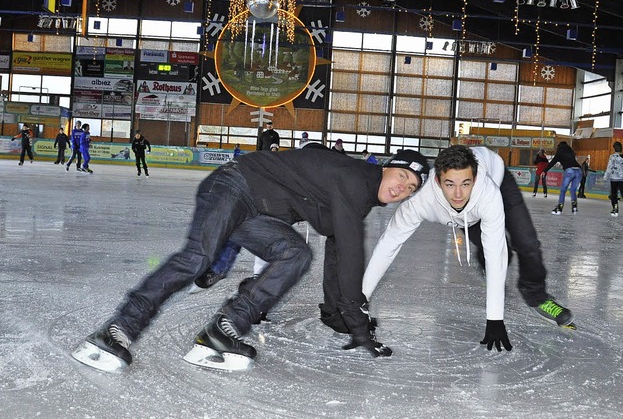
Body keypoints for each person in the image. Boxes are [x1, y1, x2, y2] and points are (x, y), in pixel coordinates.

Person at [71, 148, 429, 374]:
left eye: (411, 187)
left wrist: (340, 317)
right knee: (198, 257)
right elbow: (352, 251)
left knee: (296, 253)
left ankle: (221, 331)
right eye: (402, 176)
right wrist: (359, 323)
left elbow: (338, 254)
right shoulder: (356, 178)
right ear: (386, 168)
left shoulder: (359, 197)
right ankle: (116, 330)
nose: (403, 188)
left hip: (257, 212)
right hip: (234, 186)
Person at [357, 145, 574, 354]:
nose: (458, 195)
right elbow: (388, 245)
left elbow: (495, 252)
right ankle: (484, 266)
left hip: (498, 179)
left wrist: (495, 319)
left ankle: (537, 297)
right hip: (466, 210)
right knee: (494, 249)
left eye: (465, 184)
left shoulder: (488, 194)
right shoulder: (420, 201)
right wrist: (359, 303)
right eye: (449, 184)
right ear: (438, 180)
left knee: (526, 242)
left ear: (476, 179)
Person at [542, 141, 582, 215]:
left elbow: (553, 162)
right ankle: (574, 207)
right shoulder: (571, 151)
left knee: (563, 190)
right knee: (573, 190)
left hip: (570, 170)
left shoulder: (560, 152)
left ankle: (559, 208)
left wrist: (545, 170)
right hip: (579, 171)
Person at [603, 141, 623, 218]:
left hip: (614, 178)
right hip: (622, 178)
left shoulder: (612, 157)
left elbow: (609, 167)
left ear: (614, 148)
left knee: (614, 194)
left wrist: (606, 176)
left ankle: (615, 209)